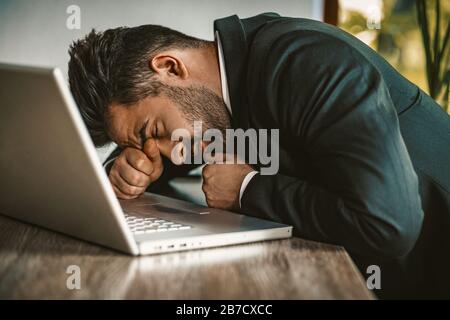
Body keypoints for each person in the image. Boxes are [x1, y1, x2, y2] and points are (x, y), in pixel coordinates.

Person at [68, 13, 450, 298]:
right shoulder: (219, 96)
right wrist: (128, 165)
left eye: (153, 133)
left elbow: (389, 225)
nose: (173, 154)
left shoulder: (303, 62)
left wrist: (247, 190)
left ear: (169, 66)